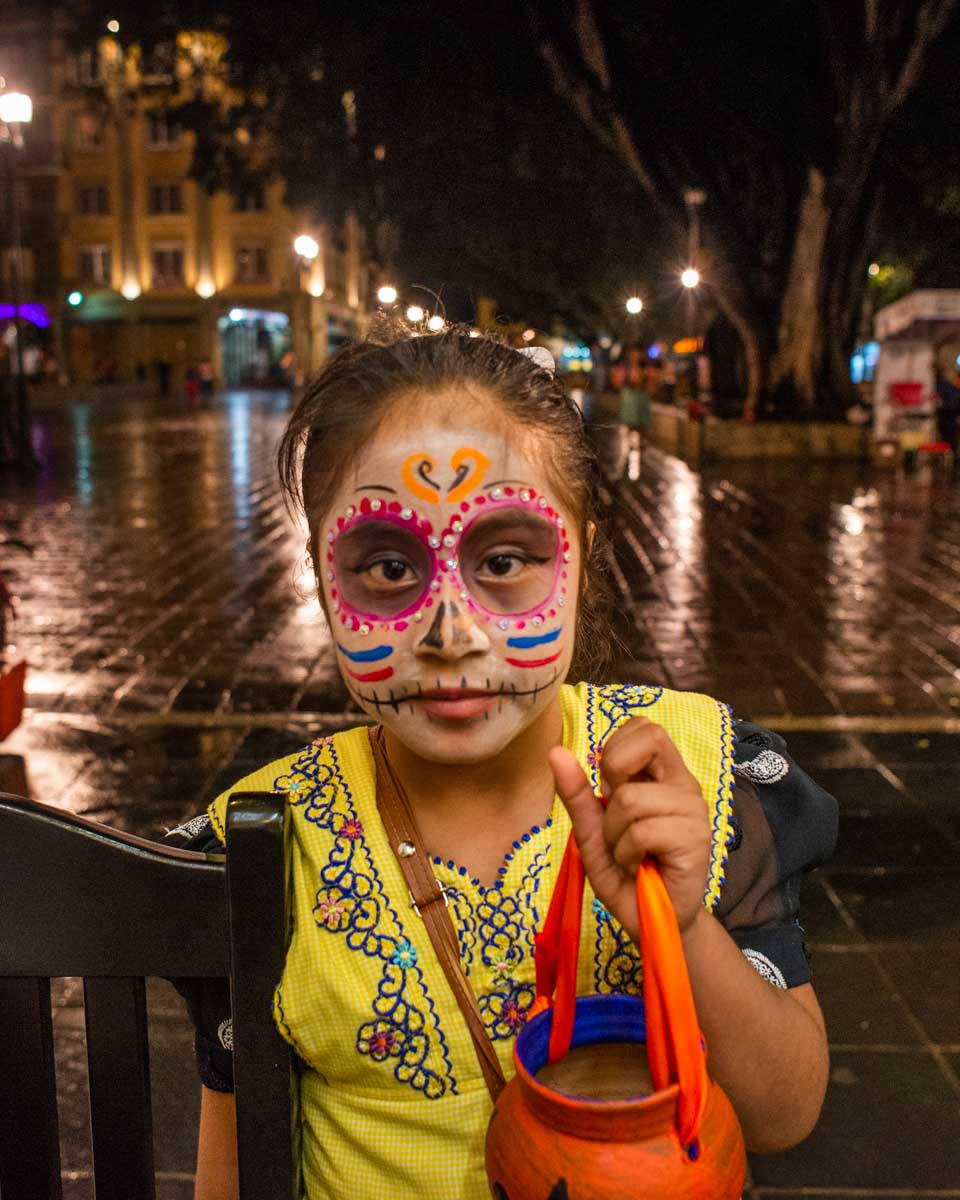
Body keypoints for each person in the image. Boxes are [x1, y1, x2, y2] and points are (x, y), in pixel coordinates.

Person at [166, 328, 837, 1200]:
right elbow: (233, 1172)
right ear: (323, 580)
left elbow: (784, 1115)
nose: (451, 634)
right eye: (388, 566)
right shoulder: (267, 841)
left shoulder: (692, 774)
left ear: (584, 557)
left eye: (507, 560)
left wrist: (687, 925)